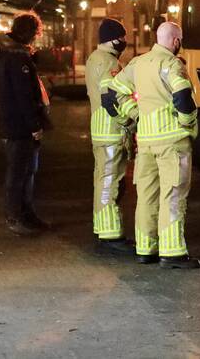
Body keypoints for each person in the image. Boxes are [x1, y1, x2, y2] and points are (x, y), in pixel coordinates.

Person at [103, 22, 200, 269]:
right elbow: (183, 99)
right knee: (173, 194)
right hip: (172, 142)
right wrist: (187, 124)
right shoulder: (171, 63)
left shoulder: (138, 63)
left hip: (145, 142)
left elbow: (112, 95)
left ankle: (146, 249)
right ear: (176, 41)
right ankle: (173, 253)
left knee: (146, 196)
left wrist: (135, 114)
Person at [0, 12, 53, 236]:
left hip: (15, 124)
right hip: (20, 126)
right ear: (29, 32)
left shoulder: (9, 55)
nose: (37, 38)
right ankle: (16, 216)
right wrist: (35, 124)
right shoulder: (17, 58)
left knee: (26, 171)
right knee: (20, 172)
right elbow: (24, 95)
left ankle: (25, 214)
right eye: (36, 33)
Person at [85, 18, 135, 255]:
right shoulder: (108, 61)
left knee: (103, 181)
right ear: (113, 38)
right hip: (111, 130)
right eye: (122, 37)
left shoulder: (95, 58)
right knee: (110, 183)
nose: (125, 41)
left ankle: (102, 228)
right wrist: (128, 121)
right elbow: (110, 98)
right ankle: (110, 235)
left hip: (101, 130)